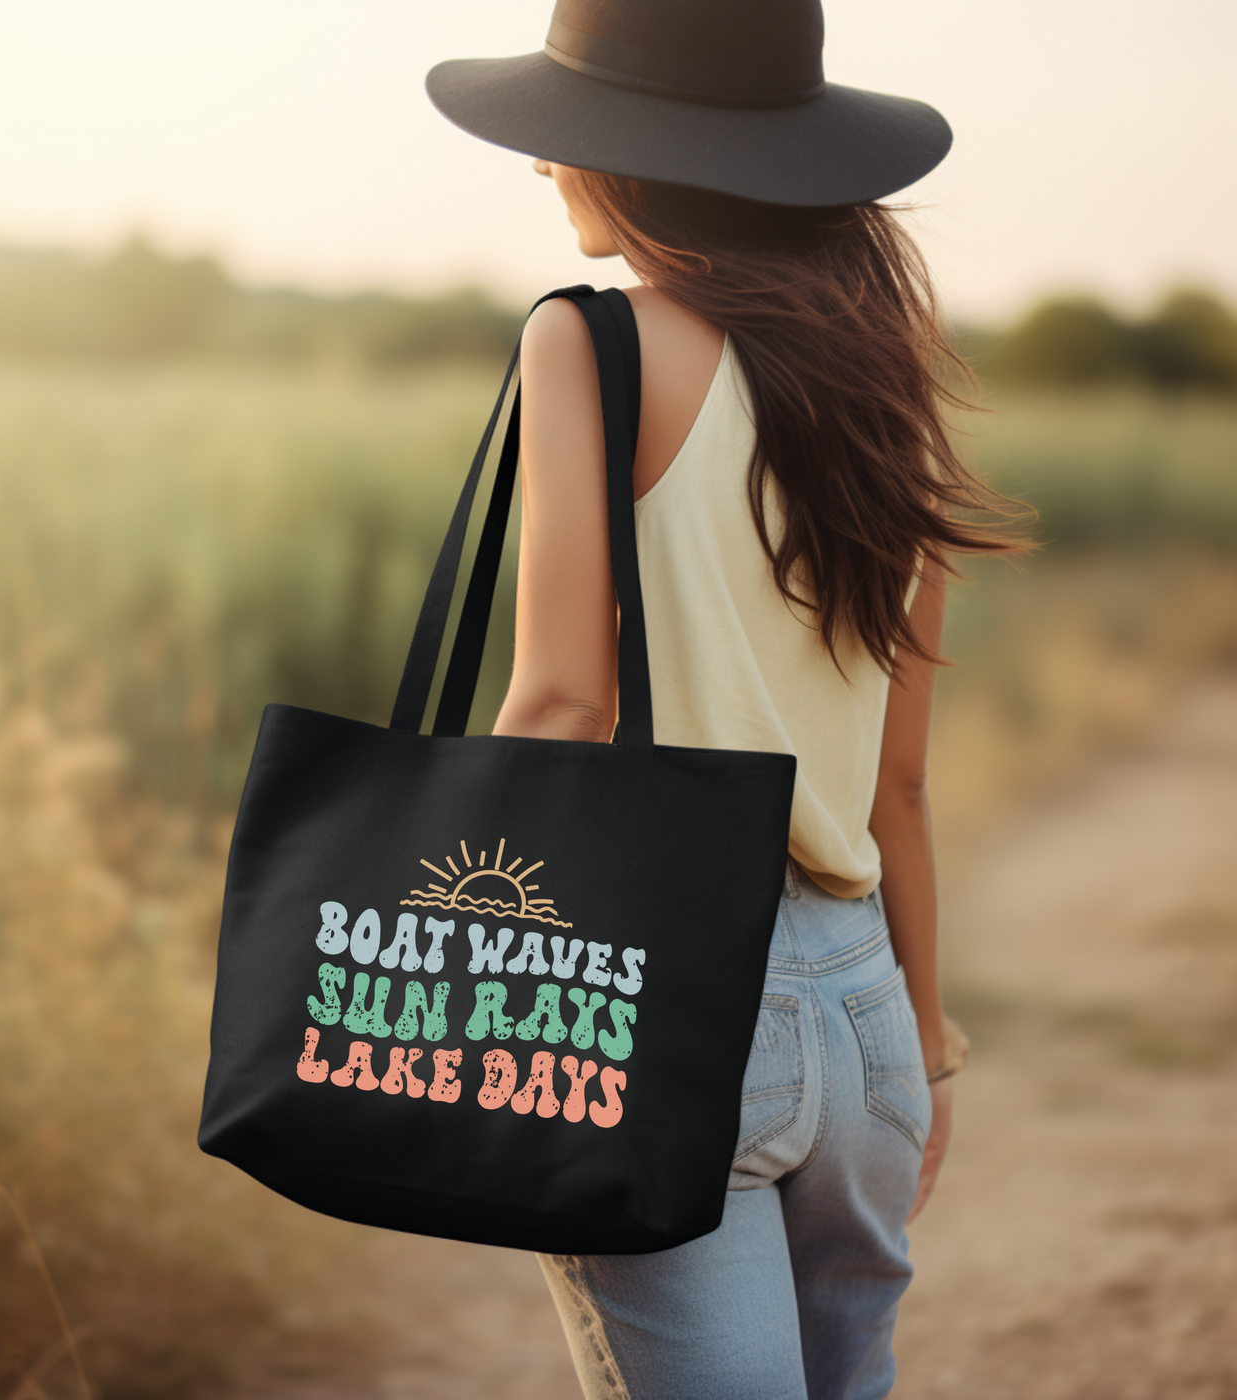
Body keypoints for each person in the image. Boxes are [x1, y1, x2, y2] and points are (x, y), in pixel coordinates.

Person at [427, 3, 1019, 1396]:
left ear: (634, 153)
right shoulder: (888, 382)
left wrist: (452, 940)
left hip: (675, 1001)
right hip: (866, 1004)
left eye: (560, 140)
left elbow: (565, 701)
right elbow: (900, 788)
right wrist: (923, 1051)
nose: (541, 167)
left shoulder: (589, 342)